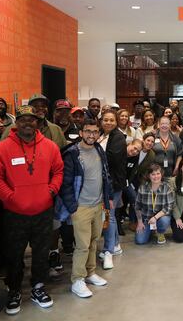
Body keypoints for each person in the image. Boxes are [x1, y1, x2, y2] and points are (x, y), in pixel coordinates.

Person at [0, 105, 63, 314]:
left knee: (41, 253)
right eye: (23, 120)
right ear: (16, 123)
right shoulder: (2, 148)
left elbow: (58, 170)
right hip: (14, 213)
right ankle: (14, 290)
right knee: (14, 255)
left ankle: (38, 287)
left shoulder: (50, 146)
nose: (27, 123)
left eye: (32, 120)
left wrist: (51, 191)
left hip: (43, 211)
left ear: (37, 123)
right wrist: (10, 197)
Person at [56, 119, 111, 298]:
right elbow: (65, 184)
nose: (91, 135)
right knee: (82, 245)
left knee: (94, 241)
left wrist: (106, 198)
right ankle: (77, 280)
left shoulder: (98, 149)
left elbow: (104, 175)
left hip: (98, 205)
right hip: (81, 207)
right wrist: (73, 207)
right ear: (81, 133)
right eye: (88, 131)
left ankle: (90, 272)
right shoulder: (72, 153)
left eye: (95, 132)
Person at [97, 110, 127, 269]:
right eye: (105, 120)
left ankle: (108, 250)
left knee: (109, 215)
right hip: (102, 183)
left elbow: (110, 158)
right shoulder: (102, 134)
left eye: (111, 120)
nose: (108, 123)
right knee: (111, 214)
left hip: (113, 183)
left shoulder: (118, 137)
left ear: (116, 122)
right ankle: (115, 245)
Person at [1, 94, 67, 149]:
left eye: (43, 106)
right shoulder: (11, 129)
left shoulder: (56, 130)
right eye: (35, 106)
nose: (40, 108)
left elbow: (65, 154)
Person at [134, 164, 174, 245]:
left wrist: (155, 217)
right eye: (153, 174)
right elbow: (137, 207)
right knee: (140, 241)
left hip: (161, 217)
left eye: (158, 173)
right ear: (149, 176)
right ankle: (151, 231)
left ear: (161, 174)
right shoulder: (142, 188)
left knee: (164, 221)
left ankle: (160, 232)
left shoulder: (167, 187)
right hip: (147, 219)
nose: (156, 176)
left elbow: (169, 207)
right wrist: (140, 222)